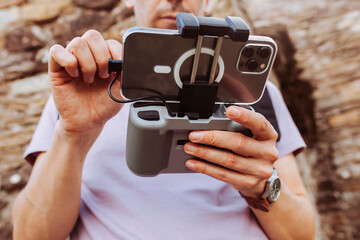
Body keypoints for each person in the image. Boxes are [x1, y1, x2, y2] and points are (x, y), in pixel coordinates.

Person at [12, 0, 316, 239]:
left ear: (208, 2)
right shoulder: (80, 93)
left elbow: (301, 234)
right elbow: (30, 235)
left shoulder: (257, 95)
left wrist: (262, 187)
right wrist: (75, 133)